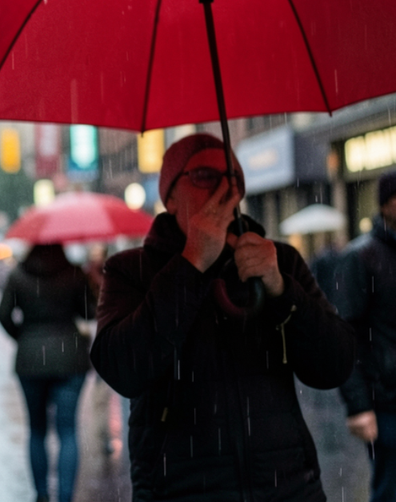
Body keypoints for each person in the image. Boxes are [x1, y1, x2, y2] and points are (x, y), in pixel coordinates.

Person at [90, 133, 355, 502]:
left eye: (234, 179)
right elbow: (123, 369)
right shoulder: (130, 271)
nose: (223, 189)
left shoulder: (278, 261)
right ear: (169, 197)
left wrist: (281, 289)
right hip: (181, 490)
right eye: (203, 176)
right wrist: (191, 265)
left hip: (287, 488)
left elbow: (335, 364)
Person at [0, 242, 94, 502]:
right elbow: (90, 312)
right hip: (69, 357)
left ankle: (41, 494)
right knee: (68, 431)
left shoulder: (18, 275)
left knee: (37, 429)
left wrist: (24, 337)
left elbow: (3, 314)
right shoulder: (73, 273)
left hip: (30, 360)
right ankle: (65, 496)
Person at [333, 170, 396, 502]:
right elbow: (347, 335)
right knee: (390, 488)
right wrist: (358, 406)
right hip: (386, 401)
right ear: (386, 206)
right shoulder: (361, 258)